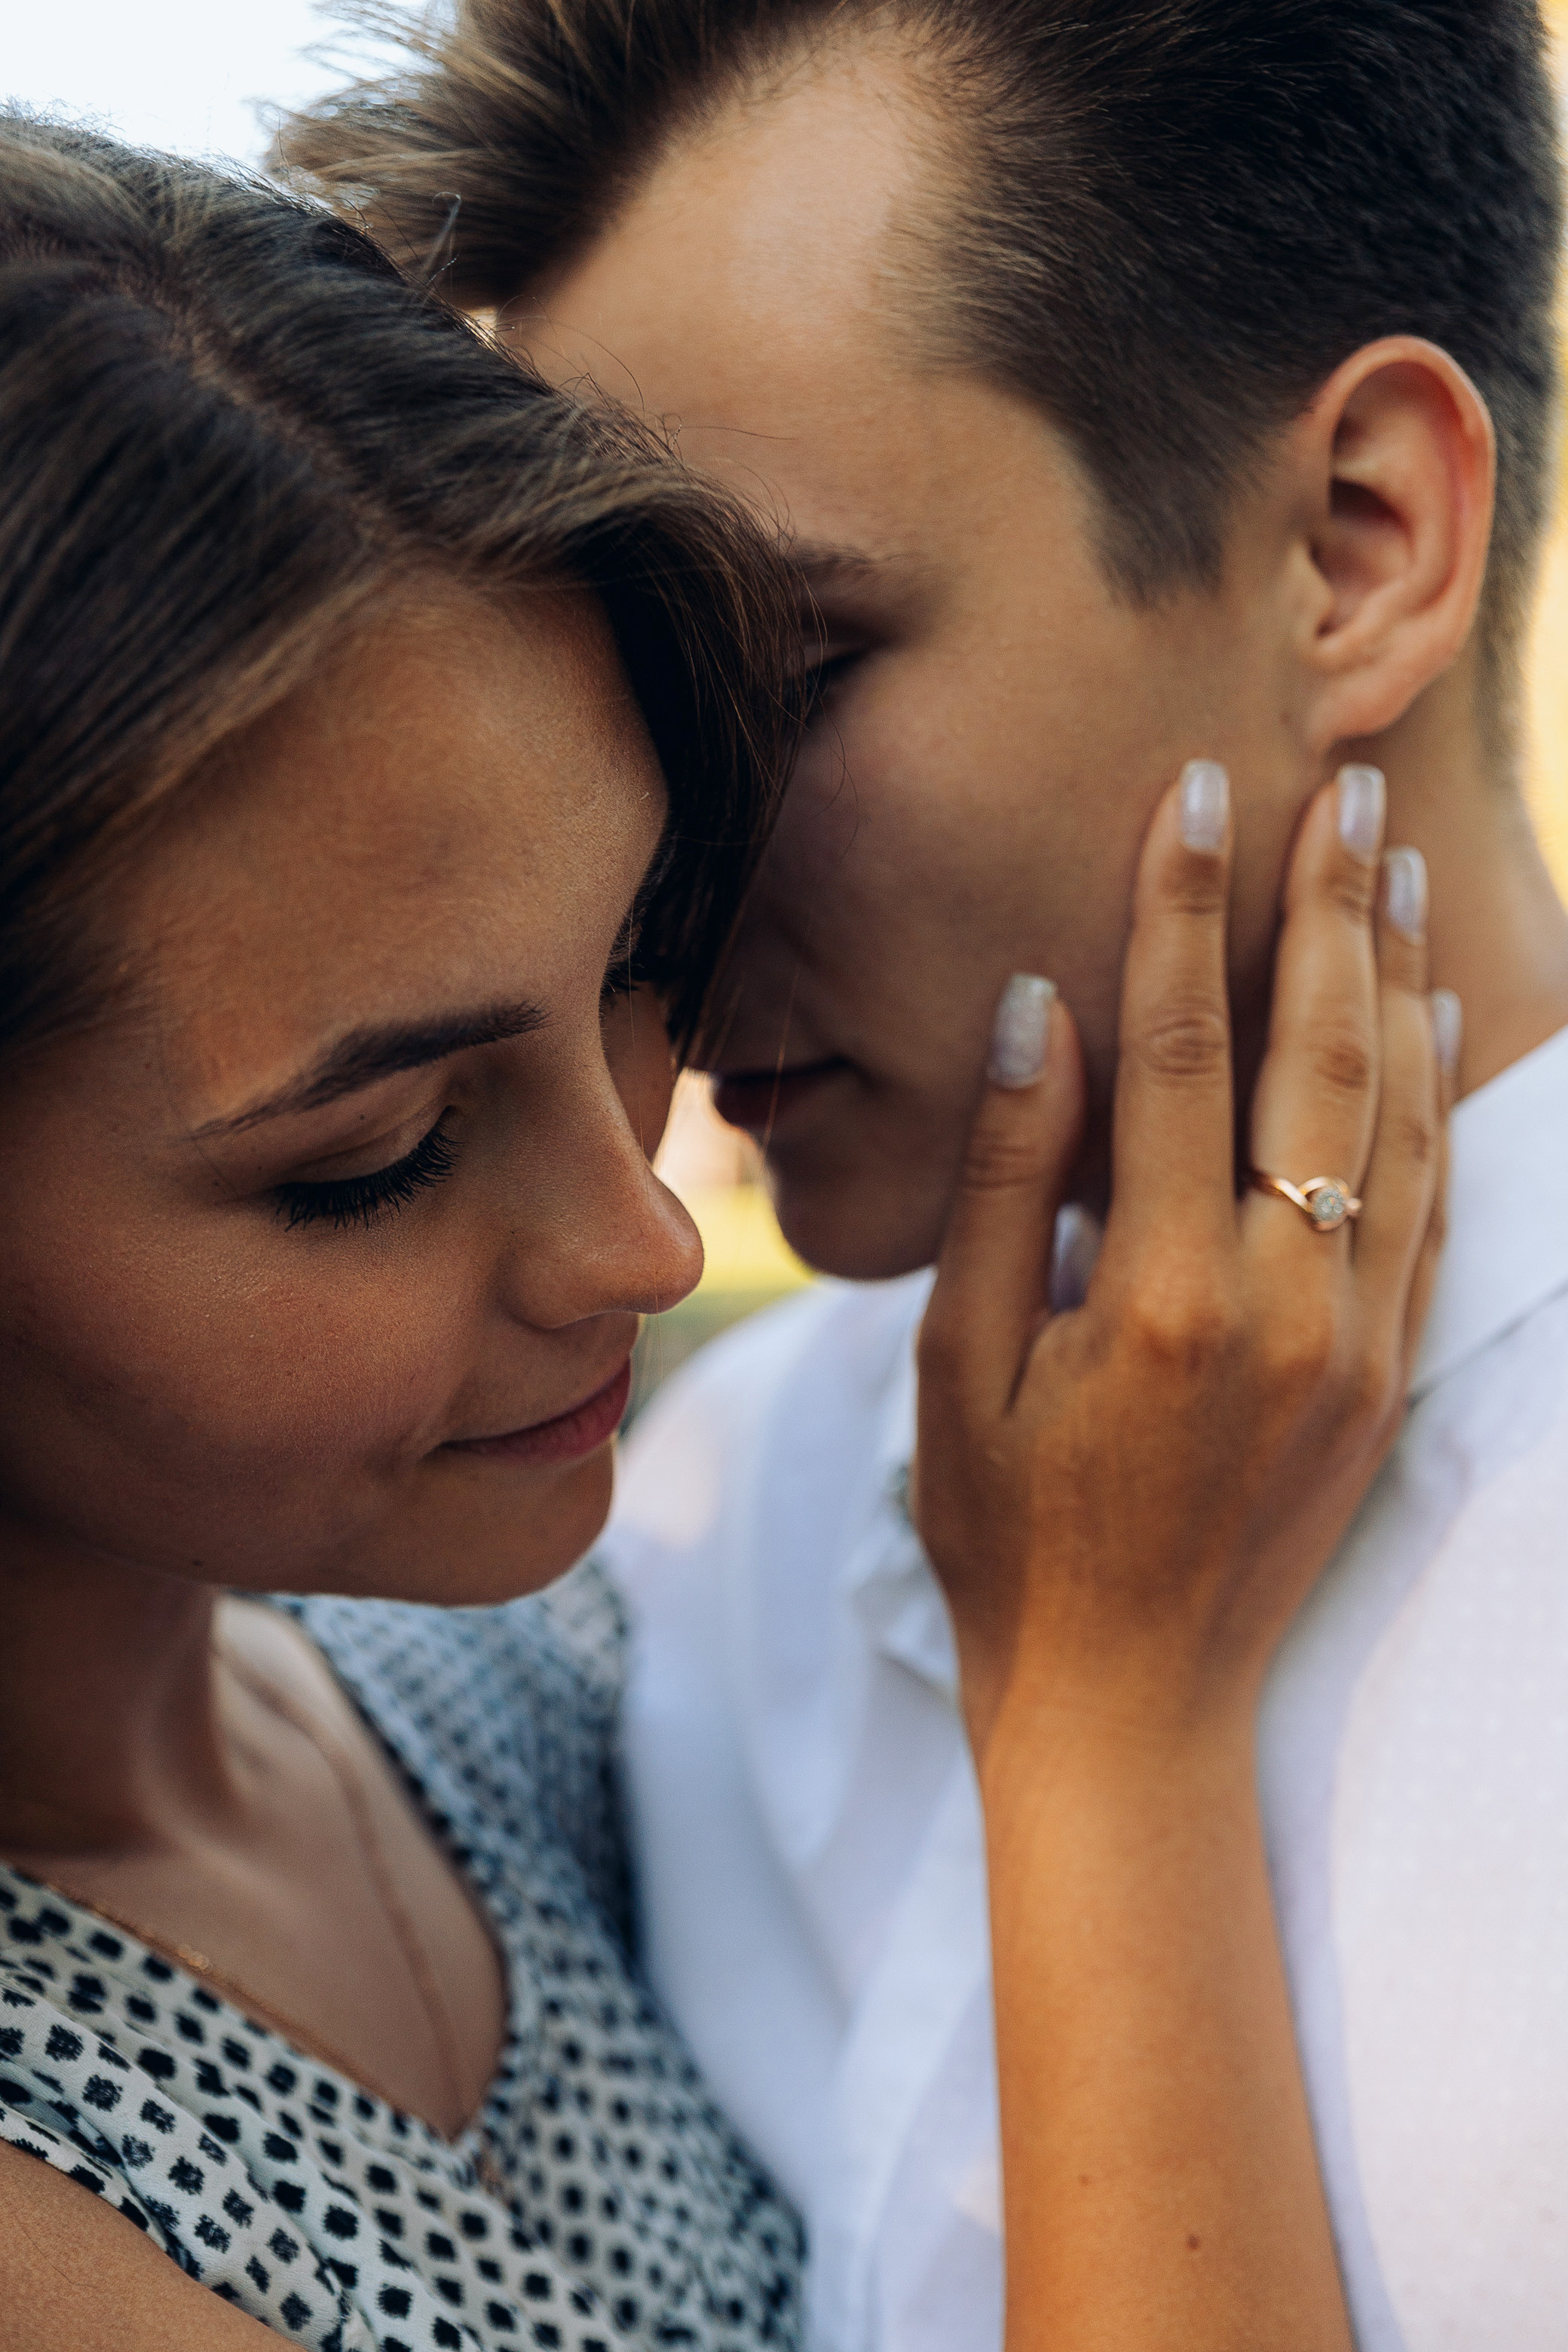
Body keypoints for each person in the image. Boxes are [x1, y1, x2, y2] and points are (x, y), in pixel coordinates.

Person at [0, 98, 1450, 2352]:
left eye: (639, 964)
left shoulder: (529, 1684)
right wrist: (1107, 1735)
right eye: (374, 1152)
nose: (650, 1244)